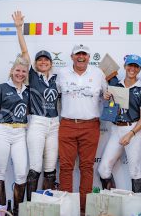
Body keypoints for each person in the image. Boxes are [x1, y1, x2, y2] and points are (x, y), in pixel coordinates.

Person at [12, 11, 60, 201]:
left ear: (50, 63)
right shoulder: (32, 76)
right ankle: (29, 206)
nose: (42, 62)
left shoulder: (58, 79)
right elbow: (24, 53)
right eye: (39, 60)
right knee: (35, 167)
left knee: (50, 168)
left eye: (46, 59)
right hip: (37, 123)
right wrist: (18, 28)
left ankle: (44, 205)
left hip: (55, 125)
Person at [57, 44, 107, 213]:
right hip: (67, 124)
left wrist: (110, 96)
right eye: (78, 54)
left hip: (91, 125)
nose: (81, 57)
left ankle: (83, 209)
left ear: (89, 57)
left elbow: (107, 96)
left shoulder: (98, 74)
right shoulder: (62, 74)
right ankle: (66, 208)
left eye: (84, 54)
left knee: (86, 167)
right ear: (72, 56)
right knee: (65, 167)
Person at [0, 54, 30, 216]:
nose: (20, 74)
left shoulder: (28, 91)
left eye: (24, 71)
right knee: (0, 172)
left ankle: (16, 210)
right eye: (17, 70)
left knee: (21, 173)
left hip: (20, 133)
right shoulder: (2, 88)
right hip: (1, 132)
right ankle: (2, 210)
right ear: (12, 71)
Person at [98, 54, 141, 193]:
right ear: (125, 66)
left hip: (133, 129)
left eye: (136, 66)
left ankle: (138, 209)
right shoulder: (115, 84)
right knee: (103, 170)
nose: (132, 68)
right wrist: (106, 96)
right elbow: (109, 103)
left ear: (139, 69)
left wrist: (131, 134)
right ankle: (112, 202)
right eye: (130, 65)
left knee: (135, 172)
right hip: (116, 129)